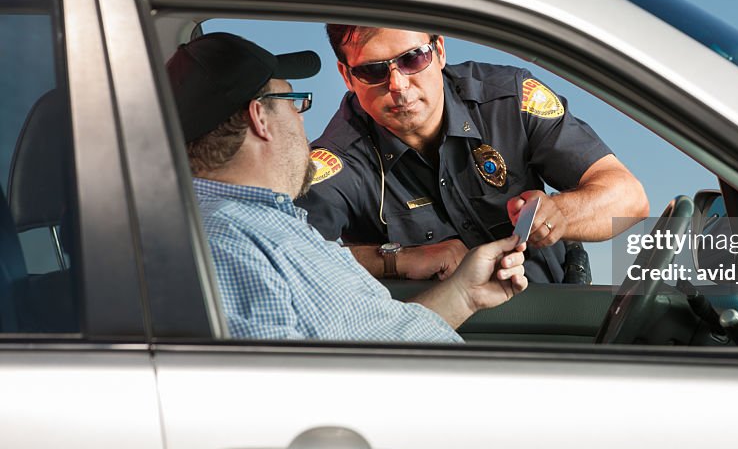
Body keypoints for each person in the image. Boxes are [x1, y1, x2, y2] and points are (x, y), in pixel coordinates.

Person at [166, 32, 527, 343]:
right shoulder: (225, 245)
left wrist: (465, 295)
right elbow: (277, 398)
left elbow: (373, 339)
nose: (302, 118)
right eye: (294, 102)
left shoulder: (272, 227)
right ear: (260, 118)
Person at [297, 25, 649, 284]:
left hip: (551, 319)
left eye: (412, 59)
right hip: (434, 348)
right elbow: (288, 257)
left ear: (439, 50)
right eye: (373, 70)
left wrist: (560, 214)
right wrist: (399, 260)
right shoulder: (335, 161)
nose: (398, 86)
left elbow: (630, 199)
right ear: (346, 76)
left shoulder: (509, 101)